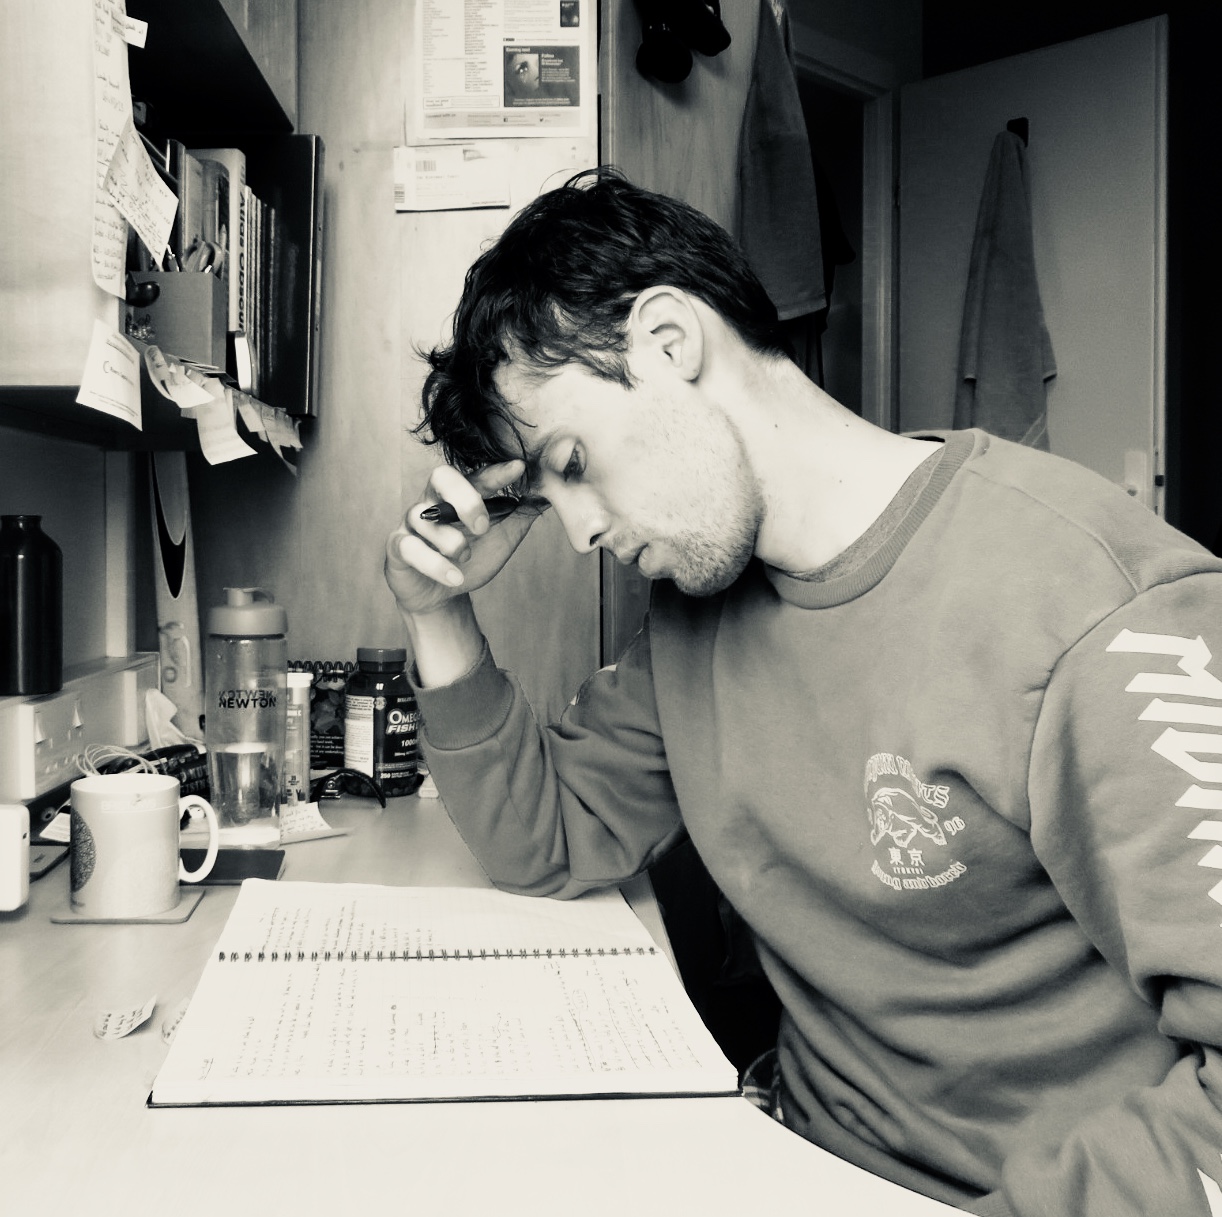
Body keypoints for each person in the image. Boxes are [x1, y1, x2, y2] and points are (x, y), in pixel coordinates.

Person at [384, 167, 1222, 1216]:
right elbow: (547, 836)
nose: (582, 531)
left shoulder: (1104, 607)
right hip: (789, 1152)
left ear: (669, 341)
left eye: (573, 462)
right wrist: (436, 612)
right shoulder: (696, 610)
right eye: (548, 500)